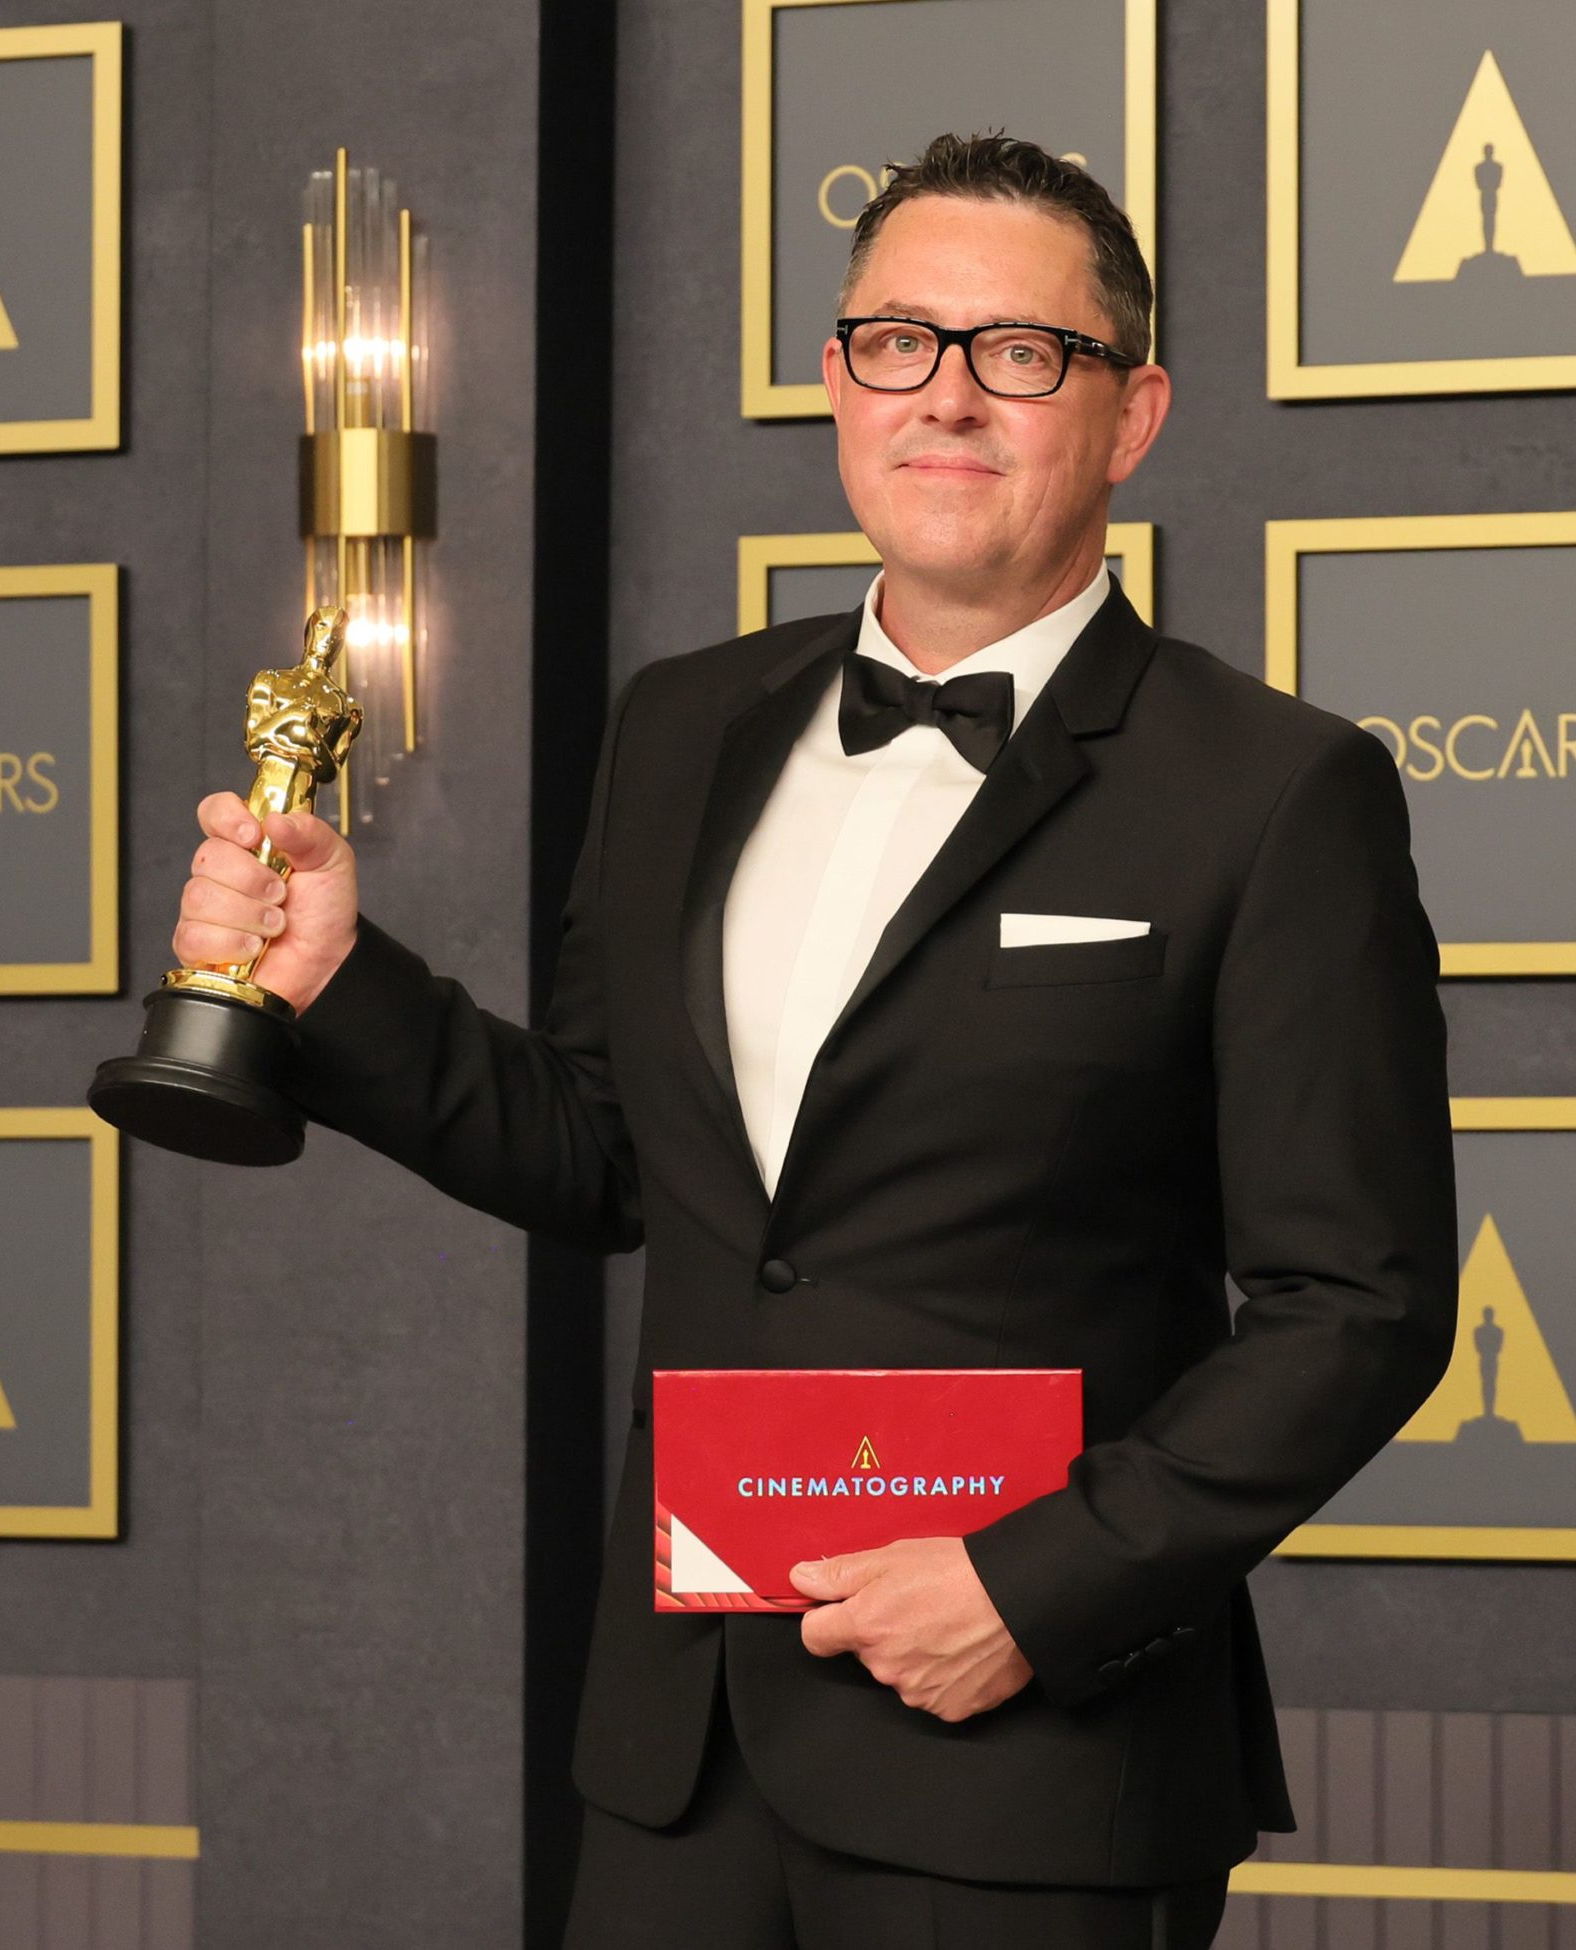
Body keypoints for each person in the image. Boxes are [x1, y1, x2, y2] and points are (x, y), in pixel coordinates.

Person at [171, 132, 1457, 1950]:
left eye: (1022, 352)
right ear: (840, 381)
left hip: (1032, 1762)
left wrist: (1033, 1589)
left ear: (1135, 414)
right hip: (680, 1751)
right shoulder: (684, 722)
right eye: (897, 341)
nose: (948, 395)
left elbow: (1361, 1305)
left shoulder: (1275, 790)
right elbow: (613, 1155)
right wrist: (335, 982)